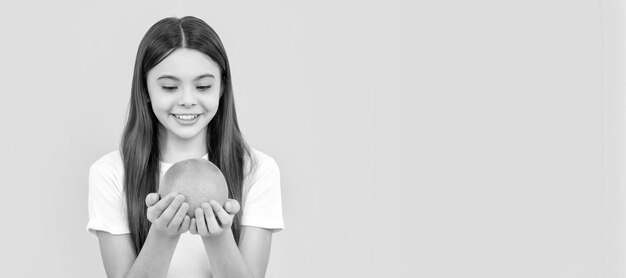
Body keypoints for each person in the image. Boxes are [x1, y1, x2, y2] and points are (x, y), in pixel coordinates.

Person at [86, 16, 284, 278]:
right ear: (145, 89)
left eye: (203, 86)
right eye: (169, 87)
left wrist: (218, 237)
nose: (188, 100)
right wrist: (162, 234)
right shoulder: (110, 174)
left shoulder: (257, 170)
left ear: (222, 87)